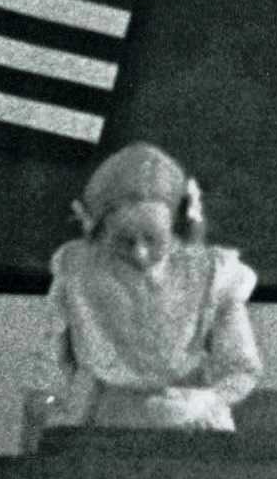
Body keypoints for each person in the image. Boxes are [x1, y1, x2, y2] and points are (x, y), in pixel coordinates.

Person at [22, 142, 263, 449]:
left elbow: (241, 367)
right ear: (100, 230)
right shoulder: (77, 272)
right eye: (124, 241)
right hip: (104, 430)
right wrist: (49, 408)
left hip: (193, 428)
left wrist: (206, 399)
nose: (140, 253)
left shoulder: (212, 274)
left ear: (175, 226)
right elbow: (47, 370)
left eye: (153, 239)